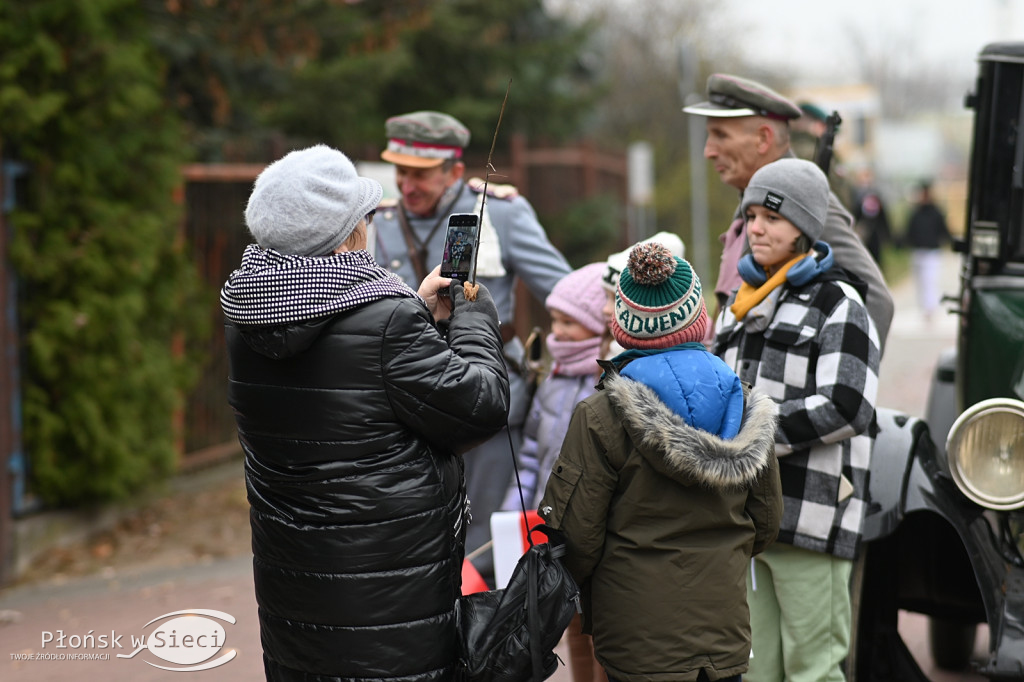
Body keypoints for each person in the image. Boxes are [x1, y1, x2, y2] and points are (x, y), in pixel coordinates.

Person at [220, 144, 511, 682]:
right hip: (388, 599)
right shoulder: (384, 319)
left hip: (295, 590)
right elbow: (482, 406)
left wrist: (417, 312)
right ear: (348, 233)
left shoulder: (246, 314)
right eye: (366, 216)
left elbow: (342, 378)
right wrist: (472, 320)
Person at [540, 242, 783, 682]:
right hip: (724, 631)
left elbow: (577, 539)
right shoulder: (746, 403)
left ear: (622, 328)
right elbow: (765, 523)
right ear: (699, 319)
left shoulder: (599, 415)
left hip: (636, 638)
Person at [374, 110, 572, 581]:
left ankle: (490, 637)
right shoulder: (377, 221)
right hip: (409, 392)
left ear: (455, 172)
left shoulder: (500, 212)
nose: (406, 185)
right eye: (400, 172)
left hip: (484, 386)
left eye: (420, 174)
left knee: (485, 531)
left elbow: (565, 293)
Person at [712, 158, 881, 682]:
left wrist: (749, 432)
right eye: (752, 216)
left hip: (811, 518)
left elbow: (848, 404)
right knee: (756, 668)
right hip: (747, 522)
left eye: (772, 218)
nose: (756, 228)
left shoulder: (841, 304)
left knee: (814, 669)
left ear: (805, 228)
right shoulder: (736, 307)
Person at [683, 74, 894, 354]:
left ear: (763, 138)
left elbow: (877, 299)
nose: (708, 151)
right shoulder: (752, 197)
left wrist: (845, 382)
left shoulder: (802, 202)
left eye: (721, 135)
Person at [498, 261, 610, 682]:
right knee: (571, 631)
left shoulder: (609, 382)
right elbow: (530, 456)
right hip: (553, 534)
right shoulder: (554, 378)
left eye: (569, 322)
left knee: (605, 638)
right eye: (554, 319)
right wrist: (515, 513)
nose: (557, 331)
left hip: (595, 539)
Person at [903, 180, 952, 321]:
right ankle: (924, 308)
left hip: (932, 253)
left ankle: (930, 309)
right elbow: (909, 232)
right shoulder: (915, 212)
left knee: (930, 282)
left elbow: (944, 231)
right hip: (917, 251)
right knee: (920, 283)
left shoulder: (936, 212)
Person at [850, 167, 893, 265]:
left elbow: (883, 216)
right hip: (861, 233)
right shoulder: (855, 195)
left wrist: (887, 235)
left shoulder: (875, 195)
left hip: (874, 233)